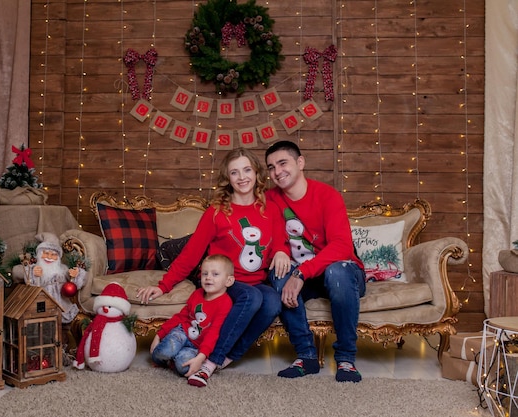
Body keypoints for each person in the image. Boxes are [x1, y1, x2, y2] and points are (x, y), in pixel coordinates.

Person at [137, 148, 290, 387]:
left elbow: (280, 241)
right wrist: (163, 285)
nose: (242, 177)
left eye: (247, 170)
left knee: (272, 301)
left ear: (257, 173)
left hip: (256, 281)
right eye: (235, 172)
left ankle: (226, 357)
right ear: (227, 178)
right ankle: (209, 362)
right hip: (221, 283)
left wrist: (281, 251)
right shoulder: (217, 213)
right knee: (251, 297)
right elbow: (191, 254)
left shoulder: (270, 208)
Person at [264, 140, 366, 383]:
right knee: (278, 274)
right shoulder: (271, 198)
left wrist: (300, 274)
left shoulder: (327, 196)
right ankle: (306, 356)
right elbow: (273, 234)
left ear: (300, 163)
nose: (277, 172)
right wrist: (279, 251)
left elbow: (341, 246)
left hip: (342, 272)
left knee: (337, 272)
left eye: (282, 163)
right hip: (305, 275)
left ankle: (346, 359)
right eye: (270, 167)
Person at [150, 254, 235, 387]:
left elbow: (214, 333)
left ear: (228, 281)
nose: (208, 278)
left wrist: (201, 357)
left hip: (197, 346)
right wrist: (159, 334)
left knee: (184, 367)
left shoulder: (225, 303)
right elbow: (182, 316)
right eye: (205, 274)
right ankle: (166, 355)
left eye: (215, 274)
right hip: (182, 332)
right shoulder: (197, 294)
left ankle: (172, 360)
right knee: (164, 350)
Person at [24, 232, 87, 324]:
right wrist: (33, 273)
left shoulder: (62, 270)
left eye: (53, 255)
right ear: (40, 254)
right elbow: (30, 282)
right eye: (46, 253)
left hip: (61, 304)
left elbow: (74, 285)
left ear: (58, 257)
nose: (49, 257)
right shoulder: (35, 268)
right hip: (42, 305)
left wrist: (75, 275)